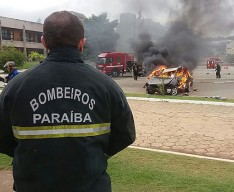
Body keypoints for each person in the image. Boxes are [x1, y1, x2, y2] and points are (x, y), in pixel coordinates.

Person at [0, 11, 136, 192]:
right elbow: (125, 134)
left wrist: (27, 153)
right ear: (82, 43)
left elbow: (2, 138)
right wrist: (96, 153)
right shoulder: (107, 86)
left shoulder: (15, 88)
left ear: (44, 42)